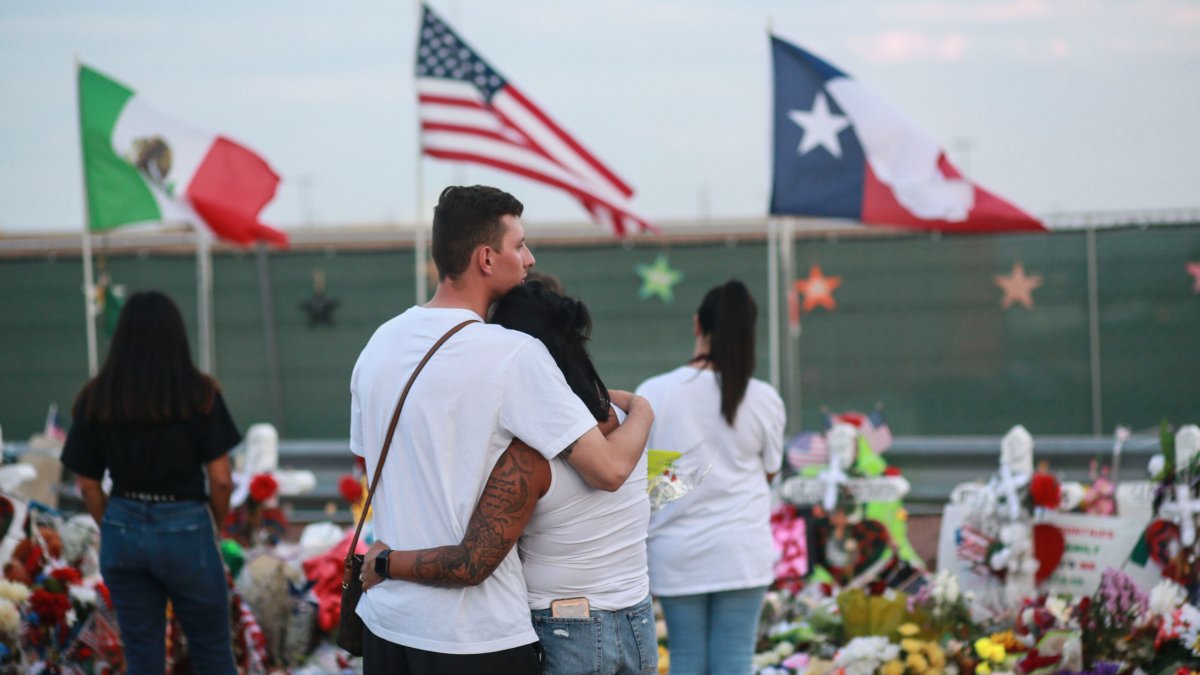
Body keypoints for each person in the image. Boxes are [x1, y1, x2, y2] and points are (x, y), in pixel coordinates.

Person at [349, 185, 653, 673]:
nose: (529, 259)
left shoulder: (379, 344)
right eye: (520, 245)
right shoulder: (513, 354)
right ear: (486, 258)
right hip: (476, 636)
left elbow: (371, 464)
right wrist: (643, 408)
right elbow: (608, 470)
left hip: (388, 625)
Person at [60, 291, 238, 675]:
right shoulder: (200, 394)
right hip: (187, 526)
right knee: (212, 653)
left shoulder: (97, 397)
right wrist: (213, 526)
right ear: (177, 335)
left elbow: (87, 483)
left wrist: (113, 522)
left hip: (122, 523)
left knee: (142, 656)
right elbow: (221, 480)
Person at [635, 280, 785, 675]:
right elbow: (770, 471)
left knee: (685, 659)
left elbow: (651, 480)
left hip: (675, 551)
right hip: (741, 551)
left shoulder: (655, 392)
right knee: (735, 661)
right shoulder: (763, 398)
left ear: (697, 324)